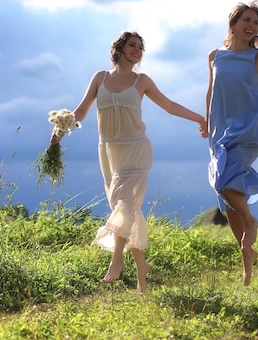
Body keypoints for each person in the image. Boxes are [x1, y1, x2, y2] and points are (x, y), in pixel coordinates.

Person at [52, 31, 207, 294]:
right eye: (132, 45)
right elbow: (81, 111)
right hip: (109, 151)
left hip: (136, 148)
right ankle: (141, 270)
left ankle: (117, 259)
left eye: (140, 47)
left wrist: (200, 119)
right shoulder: (99, 78)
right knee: (126, 211)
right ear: (119, 49)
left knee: (124, 202)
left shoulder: (141, 81)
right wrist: (60, 129)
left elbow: (169, 105)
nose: (137, 50)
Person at [205, 1, 258, 286]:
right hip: (219, 129)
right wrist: (206, 121)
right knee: (226, 200)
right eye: (247, 20)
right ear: (233, 23)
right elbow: (211, 91)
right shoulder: (215, 56)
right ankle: (247, 259)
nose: (252, 26)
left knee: (224, 182)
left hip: (249, 128)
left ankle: (251, 220)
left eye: (256, 22)